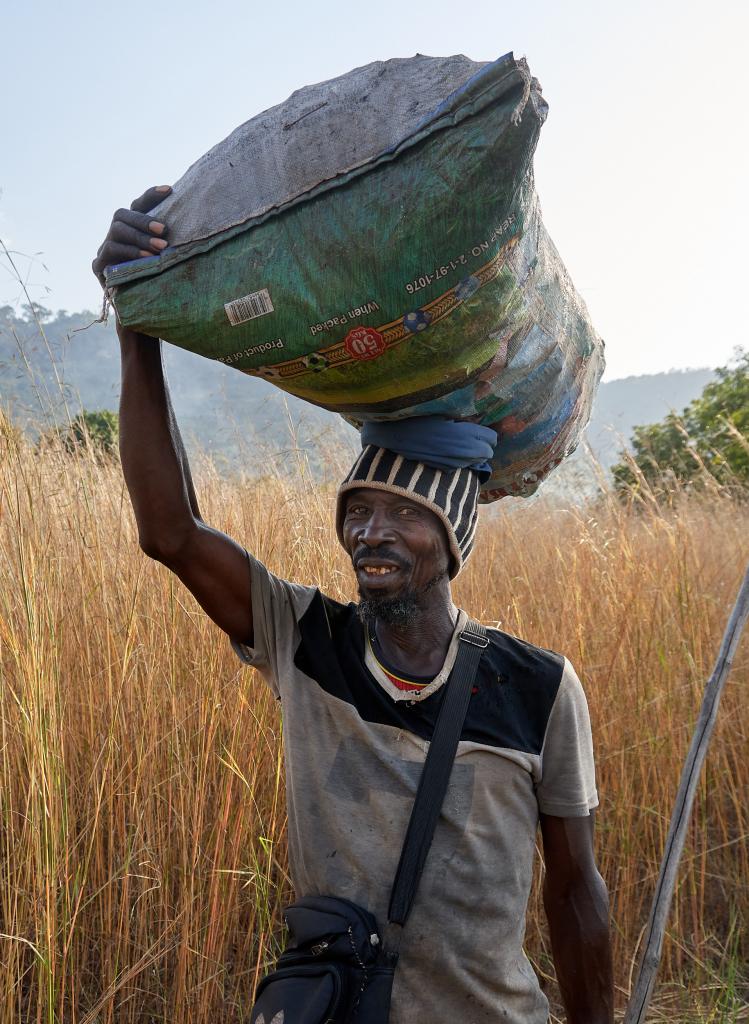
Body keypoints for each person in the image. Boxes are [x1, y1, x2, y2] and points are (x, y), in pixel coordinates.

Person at [93, 187, 614, 1024]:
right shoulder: (304, 641)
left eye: (405, 514)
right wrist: (136, 334)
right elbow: (173, 534)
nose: (371, 532)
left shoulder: (538, 688)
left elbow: (575, 888)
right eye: (357, 511)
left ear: (452, 538)